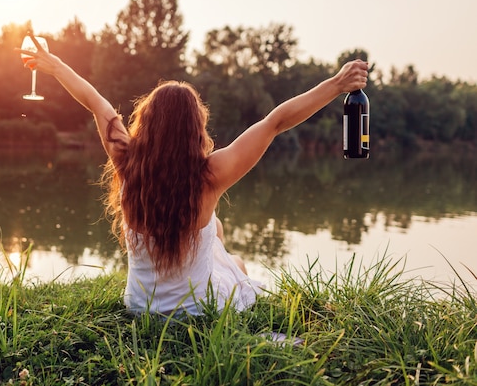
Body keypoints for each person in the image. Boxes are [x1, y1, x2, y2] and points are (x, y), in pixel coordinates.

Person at [19, 33, 368, 316]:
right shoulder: (210, 175)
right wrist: (336, 84)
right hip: (197, 311)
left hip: (139, 307)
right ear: (195, 130)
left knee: (213, 229)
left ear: (147, 123)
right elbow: (275, 122)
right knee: (238, 262)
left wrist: (54, 65)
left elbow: (96, 102)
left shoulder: (126, 160)